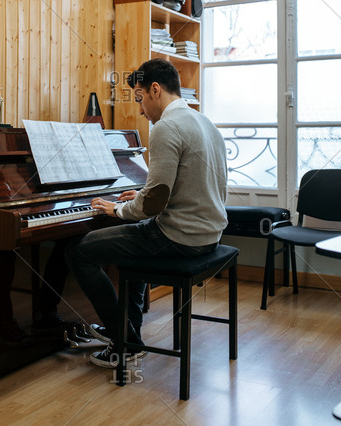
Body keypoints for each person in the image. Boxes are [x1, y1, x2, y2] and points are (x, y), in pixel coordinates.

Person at [65, 58, 228, 368]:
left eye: (139, 98)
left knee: (78, 251)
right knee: (133, 249)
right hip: (208, 234)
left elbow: (153, 205)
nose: (140, 109)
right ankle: (129, 333)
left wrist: (119, 208)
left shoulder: (167, 126)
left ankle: (123, 340)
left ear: (155, 90)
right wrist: (140, 195)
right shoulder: (204, 122)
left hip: (180, 237)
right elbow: (189, 184)